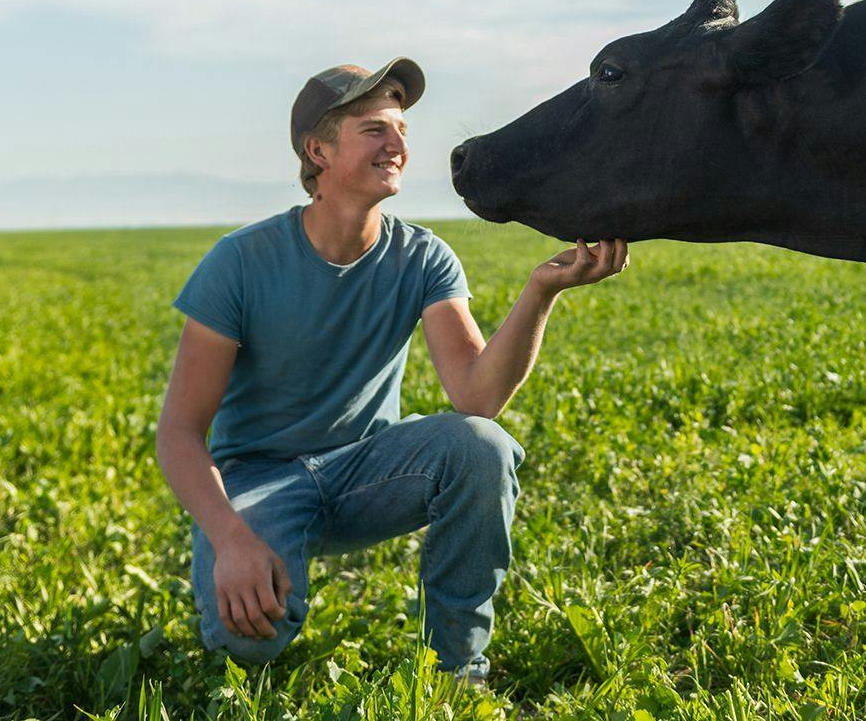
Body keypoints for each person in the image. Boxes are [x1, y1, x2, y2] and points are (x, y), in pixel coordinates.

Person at [154, 57, 627, 683]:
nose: (399, 144)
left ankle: (456, 667)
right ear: (317, 150)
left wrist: (542, 290)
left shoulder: (423, 257)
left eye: (402, 128)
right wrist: (231, 538)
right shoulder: (239, 262)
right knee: (251, 646)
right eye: (375, 129)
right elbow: (180, 433)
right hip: (259, 481)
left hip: (365, 474)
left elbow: (477, 396)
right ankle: (249, 575)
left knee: (481, 447)